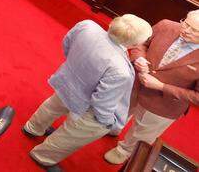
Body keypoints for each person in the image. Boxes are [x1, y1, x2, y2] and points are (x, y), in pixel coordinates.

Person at [23, 15, 153, 170]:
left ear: (114, 22)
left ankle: (32, 128)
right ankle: (42, 156)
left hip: (67, 81)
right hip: (86, 104)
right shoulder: (121, 70)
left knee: (52, 106)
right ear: (134, 44)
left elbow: (67, 45)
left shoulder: (87, 26)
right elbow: (102, 103)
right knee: (72, 135)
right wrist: (107, 122)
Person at [105, 9, 199, 164]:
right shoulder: (166, 25)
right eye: (185, 23)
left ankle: (124, 151)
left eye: (193, 30)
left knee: (142, 131)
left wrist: (161, 86)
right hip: (135, 86)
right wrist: (139, 58)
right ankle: (114, 127)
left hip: (163, 104)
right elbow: (141, 43)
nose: (184, 30)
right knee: (121, 110)